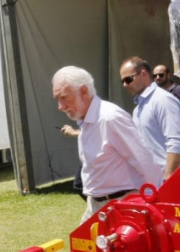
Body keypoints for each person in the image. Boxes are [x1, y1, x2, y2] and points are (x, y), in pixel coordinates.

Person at [51, 65, 157, 223]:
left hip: (122, 206)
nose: (60, 106)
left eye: (64, 97)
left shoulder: (110, 118)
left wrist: (155, 202)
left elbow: (144, 161)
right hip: (96, 204)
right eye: (57, 99)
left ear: (84, 91)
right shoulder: (85, 121)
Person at [120, 56, 180, 181]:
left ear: (143, 74)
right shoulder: (138, 109)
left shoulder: (163, 100)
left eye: (128, 79)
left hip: (169, 181)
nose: (124, 85)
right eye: (122, 81)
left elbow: (176, 141)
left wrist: (168, 177)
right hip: (151, 181)